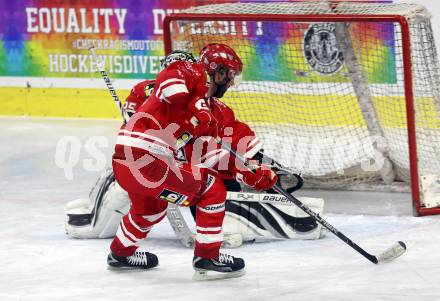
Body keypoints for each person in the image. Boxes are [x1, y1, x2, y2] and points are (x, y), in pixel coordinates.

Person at [64, 50, 324, 245]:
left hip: (181, 169)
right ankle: (99, 226)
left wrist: (256, 163)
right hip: (143, 165)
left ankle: (209, 241)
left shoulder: (214, 108)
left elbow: (232, 140)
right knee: (108, 214)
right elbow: (140, 115)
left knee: (215, 187)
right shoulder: (152, 92)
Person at [108, 43, 278, 280]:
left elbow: (208, 155)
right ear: (215, 70)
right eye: (229, 75)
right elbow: (169, 82)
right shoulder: (189, 72)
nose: (230, 82)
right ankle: (207, 257)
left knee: (150, 209)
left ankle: (120, 254)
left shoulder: (211, 109)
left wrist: (246, 172)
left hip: (138, 164)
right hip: (144, 156)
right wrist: (197, 106)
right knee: (212, 190)